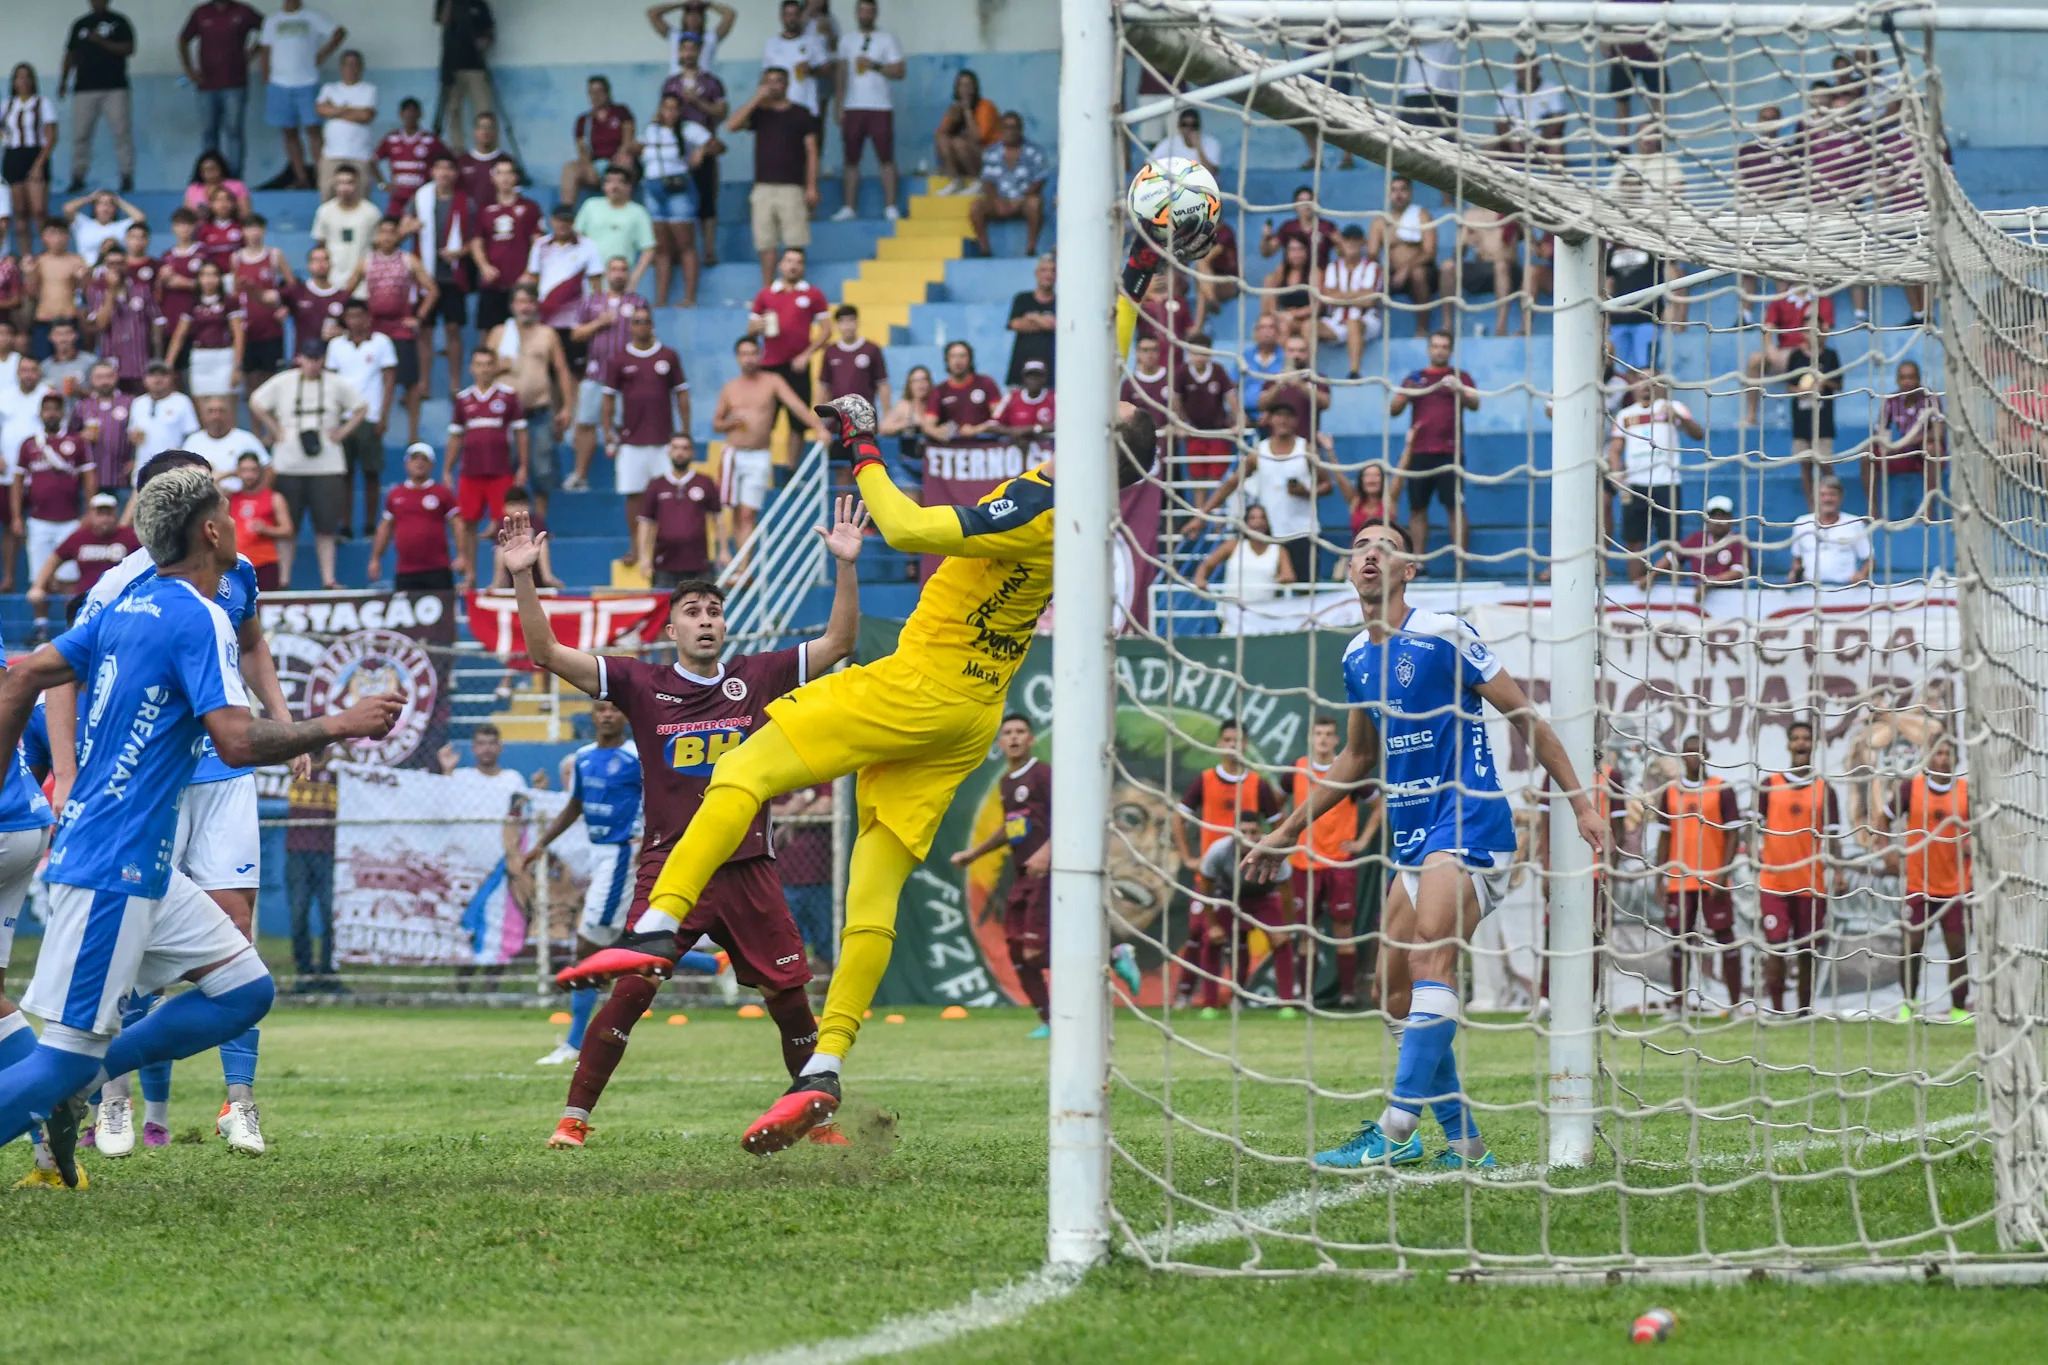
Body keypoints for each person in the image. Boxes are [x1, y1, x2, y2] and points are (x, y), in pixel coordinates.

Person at [554, 397, 1158, 1157]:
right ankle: (824, 1068)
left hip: (918, 687)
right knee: (872, 892)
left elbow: (905, 528)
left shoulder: (1042, 503)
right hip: (971, 713)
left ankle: (654, 923)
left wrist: (863, 445)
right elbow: (1109, 364)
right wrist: (1131, 280)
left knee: (742, 765)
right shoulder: (1088, 502)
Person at [0, 459, 400, 1184]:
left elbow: (24, 674)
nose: (238, 518)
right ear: (211, 529)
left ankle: (85, 1083)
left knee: (245, 990)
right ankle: (72, 1080)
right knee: (58, 1058)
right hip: (114, 860)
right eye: (229, 507)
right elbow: (237, 741)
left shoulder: (132, 603)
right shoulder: (198, 614)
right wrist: (337, 723)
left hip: (135, 854)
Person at [498, 492, 865, 1151]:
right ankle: (574, 1117)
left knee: (789, 998)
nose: (705, 620)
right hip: (671, 867)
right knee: (633, 988)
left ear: (726, 626)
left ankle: (820, 1121)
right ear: (673, 629)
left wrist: (843, 563)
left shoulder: (759, 675)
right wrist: (524, 574)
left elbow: (840, 641)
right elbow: (548, 652)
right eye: (692, 612)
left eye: (714, 611)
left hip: (749, 865)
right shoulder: (641, 683)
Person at [1244, 519, 1605, 1169]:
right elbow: (1356, 757)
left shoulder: (1445, 633)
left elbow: (1527, 719)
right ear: (1346, 571)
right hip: (1412, 837)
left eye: (1385, 544)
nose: (1370, 553)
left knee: (1429, 962)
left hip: (1469, 822)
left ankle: (1395, 1127)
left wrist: (1581, 802)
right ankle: (1466, 1145)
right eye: (1359, 546)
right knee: (1393, 995)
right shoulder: (1355, 655)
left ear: (1411, 568)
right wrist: (1282, 832)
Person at [525, 698, 644, 1068]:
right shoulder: (583, 757)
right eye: (601, 709)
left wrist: (649, 842)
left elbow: (659, 800)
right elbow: (574, 806)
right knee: (625, 946)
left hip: (622, 854)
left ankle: (576, 1044)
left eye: (614, 708)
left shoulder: (637, 757)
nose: (608, 714)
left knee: (587, 949)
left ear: (625, 714)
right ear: (592, 717)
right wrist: (541, 844)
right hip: (598, 853)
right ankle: (712, 964)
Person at [948, 713, 1061, 1034]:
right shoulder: (1007, 782)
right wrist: (974, 853)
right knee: (1016, 950)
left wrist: (1047, 852)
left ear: (1031, 739)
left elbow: (1071, 812)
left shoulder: (1042, 774)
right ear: (1000, 743)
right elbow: (1013, 826)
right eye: (1007, 733)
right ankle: (1049, 1021)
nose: (1013, 738)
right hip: (1023, 872)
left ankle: (1111, 954)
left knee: (1034, 949)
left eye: (1020, 732)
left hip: (1049, 872)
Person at [1169, 720, 1286, 1006]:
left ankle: (1238, 995)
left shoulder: (1257, 783)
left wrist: (1270, 854)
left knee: (1242, 936)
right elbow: (1178, 818)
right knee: (1201, 931)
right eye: (1227, 739)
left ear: (1245, 745)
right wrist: (1187, 857)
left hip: (1249, 876)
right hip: (1213, 874)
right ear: (1220, 743)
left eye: (1238, 740)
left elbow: (1279, 824)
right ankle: (1185, 993)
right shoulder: (1206, 779)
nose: (1232, 745)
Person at [249, 348, 366, 589]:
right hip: (289, 464)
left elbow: (362, 407)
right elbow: (256, 402)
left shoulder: (336, 383)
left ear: (322, 360)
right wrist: (275, 430)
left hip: (328, 465)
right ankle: (283, 580)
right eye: (308, 358)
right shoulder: (284, 381)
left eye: (317, 359)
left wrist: (342, 432)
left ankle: (328, 579)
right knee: (287, 527)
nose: (312, 364)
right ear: (300, 359)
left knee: (326, 527)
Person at [1748, 719, 1843, 1016]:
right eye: (1796, 738)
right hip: (1774, 883)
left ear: (1814, 745)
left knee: (1807, 951)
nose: (1801, 743)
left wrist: (1838, 871)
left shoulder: (1824, 789)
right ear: (1789, 745)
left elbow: (1833, 835)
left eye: (1806, 738)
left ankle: (1804, 1011)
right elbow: (1751, 829)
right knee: (1775, 946)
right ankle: (1776, 1009)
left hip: (1810, 883)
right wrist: (1755, 853)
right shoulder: (1769, 785)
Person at [1650, 734, 1743, 1013]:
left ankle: (1736, 1004)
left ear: (1707, 754)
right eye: (1689, 752)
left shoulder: (1722, 789)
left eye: (1698, 751)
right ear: (1682, 756)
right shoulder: (1670, 792)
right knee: (1680, 942)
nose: (1694, 757)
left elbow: (1733, 836)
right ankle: (1679, 1003)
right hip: (1680, 880)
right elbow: (1665, 838)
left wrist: (1722, 874)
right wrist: (1660, 877)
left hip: (1713, 879)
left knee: (1725, 937)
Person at [1291, 715, 1379, 1009]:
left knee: (1343, 930)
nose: (1324, 739)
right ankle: (1305, 996)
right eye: (1319, 734)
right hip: (1304, 862)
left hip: (1340, 862)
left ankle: (1346, 995)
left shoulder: (1348, 772)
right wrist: (1285, 834)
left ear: (1338, 739)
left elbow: (1380, 806)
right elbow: (1275, 805)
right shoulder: (1296, 770)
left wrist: (1363, 841)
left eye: (1329, 734)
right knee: (1307, 930)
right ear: (1311, 737)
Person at [712, 335, 824, 548]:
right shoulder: (730, 388)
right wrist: (731, 423)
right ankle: (741, 568)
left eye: (753, 353)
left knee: (748, 512)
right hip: (734, 454)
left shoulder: (772, 381)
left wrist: (818, 427)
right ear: (737, 358)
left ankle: (743, 568)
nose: (749, 359)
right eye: (744, 354)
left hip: (759, 453)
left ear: (760, 355)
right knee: (736, 512)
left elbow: (796, 406)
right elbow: (717, 423)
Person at [1890, 734, 1970, 1021]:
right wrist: (1884, 848)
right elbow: (1882, 818)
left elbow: (1978, 830)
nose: (1943, 759)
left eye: (1948, 754)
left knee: (1958, 949)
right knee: (1912, 946)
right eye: (1938, 753)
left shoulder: (1965, 791)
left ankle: (1959, 1009)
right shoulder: (1911, 787)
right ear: (1928, 756)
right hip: (1918, 885)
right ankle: (1907, 1005)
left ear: (1955, 759)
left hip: (1956, 886)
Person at [343, 219, 435, 449]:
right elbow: (346, 292)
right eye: (382, 233)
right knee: (373, 379)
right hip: (374, 329)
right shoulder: (366, 262)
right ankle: (372, 424)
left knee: (411, 382)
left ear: (397, 236)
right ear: (376, 237)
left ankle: (413, 433)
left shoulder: (408, 260)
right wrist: (352, 320)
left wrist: (419, 317)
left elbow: (432, 290)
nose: (386, 237)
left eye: (391, 233)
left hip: (401, 327)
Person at [599, 309, 689, 542]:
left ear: (652, 325)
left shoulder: (669, 356)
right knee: (634, 495)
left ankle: (662, 545)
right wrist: (607, 429)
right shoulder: (619, 359)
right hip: (631, 440)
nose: (641, 326)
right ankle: (637, 545)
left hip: (663, 440)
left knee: (665, 495)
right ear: (630, 326)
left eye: (645, 322)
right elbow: (608, 398)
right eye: (636, 322)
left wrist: (685, 430)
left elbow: (681, 394)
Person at [1391, 329, 1478, 563]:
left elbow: (1475, 403)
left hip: (1450, 452)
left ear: (1450, 351)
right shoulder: (1415, 378)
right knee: (1417, 508)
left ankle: (1461, 561)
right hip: (1418, 453)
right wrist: (1409, 393)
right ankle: (1417, 562)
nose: (1439, 350)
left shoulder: (1460, 376)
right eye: (1435, 346)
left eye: (1444, 347)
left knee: (1455, 506)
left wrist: (1459, 389)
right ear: (1429, 349)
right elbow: (1393, 409)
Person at [564, 255, 650, 491]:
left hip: (628, 378)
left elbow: (648, 336)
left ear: (628, 273)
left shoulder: (639, 303)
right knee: (585, 424)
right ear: (606, 274)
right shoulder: (591, 302)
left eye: (623, 269)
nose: (619, 274)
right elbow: (575, 334)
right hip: (595, 374)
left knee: (627, 426)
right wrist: (599, 323)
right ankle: (580, 475)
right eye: (614, 269)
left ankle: (626, 478)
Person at [1606, 374, 1702, 585]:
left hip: (1667, 482)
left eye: (1651, 380)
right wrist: (1616, 473)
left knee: (1671, 542)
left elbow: (1698, 434)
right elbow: (1615, 449)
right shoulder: (1624, 415)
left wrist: (1679, 416)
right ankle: (1636, 587)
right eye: (1640, 381)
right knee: (1634, 542)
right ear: (1634, 386)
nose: (1645, 386)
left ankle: (1676, 592)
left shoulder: (1672, 406)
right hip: (1635, 484)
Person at [446, 345, 528, 588]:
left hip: (500, 471)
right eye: (478, 364)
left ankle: (504, 578)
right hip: (470, 472)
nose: (483, 369)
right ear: (471, 368)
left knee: (506, 524)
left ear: (495, 367)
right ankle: (470, 575)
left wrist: (522, 465)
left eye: (487, 364)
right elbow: (455, 436)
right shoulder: (463, 399)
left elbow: (521, 433)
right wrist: (447, 469)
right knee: (468, 522)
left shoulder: (508, 396)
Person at [728, 68, 820, 284]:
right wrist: (757, 99)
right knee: (765, 244)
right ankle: (769, 292)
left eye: (778, 81)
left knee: (795, 242)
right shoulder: (760, 113)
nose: (773, 85)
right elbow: (732, 125)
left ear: (786, 84)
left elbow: (812, 151)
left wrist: (811, 186)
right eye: (768, 81)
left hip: (792, 187)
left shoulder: (801, 114)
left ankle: (795, 290)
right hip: (763, 187)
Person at [485, 284, 571, 516]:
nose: (525, 307)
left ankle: (539, 522)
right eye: (521, 302)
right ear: (512, 305)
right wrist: (498, 367)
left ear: (536, 305)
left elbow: (562, 370)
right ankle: (507, 522)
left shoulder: (547, 334)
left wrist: (566, 408)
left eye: (530, 302)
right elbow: (482, 368)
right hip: (505, 415)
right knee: (505, 468)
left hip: (538, 411)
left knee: (542, 469)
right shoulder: (499, 333)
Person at [404, 153, 479, 402]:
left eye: (449, 169)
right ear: (432, 172)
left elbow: (476, 241)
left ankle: (455, 384)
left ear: (456, 174)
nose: (444, 173)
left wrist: (460, 252)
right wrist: (409, 228)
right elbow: (400, 230)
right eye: (439, 168)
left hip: (452, 275)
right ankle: (423, 383)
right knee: (424, 330)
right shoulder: (419, 198)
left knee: (453, 328)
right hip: (425, 275)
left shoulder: (466, 202)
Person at [256, 0, 345, 192]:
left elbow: (339, 33)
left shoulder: (313, 16)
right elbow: (265, 50)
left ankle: (322, 175)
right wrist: (266, 79)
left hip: (307, 82)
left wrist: (321, 56)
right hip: (279, 84)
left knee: (313, 129)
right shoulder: (273, 20)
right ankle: (301, 177)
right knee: (289, 131)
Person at [324, 297, 399, 525]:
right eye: (350, 316)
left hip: (370, 416)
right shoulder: (336, 345)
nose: (355, 321)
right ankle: (345, 524)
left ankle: (370, 525)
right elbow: (330, 383)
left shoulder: (381, 343)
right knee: (344, 475)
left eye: (359, 316)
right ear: (345, 319)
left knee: (371, 474)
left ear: (368, 318)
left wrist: (383, 416)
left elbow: (389, 381)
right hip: (344, 419)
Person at [13, 394, 97, 598]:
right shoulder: (29, 444)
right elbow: (17, 482)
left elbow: (89, 478)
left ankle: (69, 625)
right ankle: (40, 627)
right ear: (41, 413)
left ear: (62, 413)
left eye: (55, 409)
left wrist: (89, 512)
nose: (51, 413)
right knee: (39, 577)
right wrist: (16, 517)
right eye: (47, 409)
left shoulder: (76, 441)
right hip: (38, 520)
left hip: (69, 520)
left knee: (69, 578)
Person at [635, 92, 713, 307]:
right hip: (652, 189)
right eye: (665, 107)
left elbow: (717, 144)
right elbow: (637, 148)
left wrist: (702, 151)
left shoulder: (689, 129)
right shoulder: (651, 131)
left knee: (685, 244)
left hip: (678, 188)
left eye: (673, 108)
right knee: (661, 248)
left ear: (680, 111)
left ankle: (689, 297)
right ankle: (661, 299)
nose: (668, 112)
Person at [835, 0, 904, 221]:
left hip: (880, 106)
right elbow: (841, 73)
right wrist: (839, 105)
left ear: (876, 13)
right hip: (853, 106)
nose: (866, 14)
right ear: (856, 13)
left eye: (870, 10)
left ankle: (891, 206)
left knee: (886, 158)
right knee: (851, 160)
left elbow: (900, 71)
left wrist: (874, 65)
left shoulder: (887, 39)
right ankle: (849, 207)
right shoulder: (847, 40)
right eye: (862, 10)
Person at [181, 0, 266, 179]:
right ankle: (210, 176)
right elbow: (183, 39)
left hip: (235, 83)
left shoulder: (243, 11)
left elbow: (268, 27)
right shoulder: (201, 12)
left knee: (234, 131)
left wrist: (253, 50)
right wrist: (189, 70)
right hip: (207, 85)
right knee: (209, 132)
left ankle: (234, 177)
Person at [664, 34, 729, 267]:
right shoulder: (671, 83)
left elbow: (722, 113)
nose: (688, 54)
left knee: (707, 202)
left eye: (692, 49)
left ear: (699, 52)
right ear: (679, 53)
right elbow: (662, 113)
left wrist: (697, 102)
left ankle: (709, 251)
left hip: (706, 149)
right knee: (676, 203)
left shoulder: (712, 82)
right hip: (675, 153)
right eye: (684, 50)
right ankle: (676, 252)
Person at [28, 490, 136, 616]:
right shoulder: (80, 537)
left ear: (116, 514)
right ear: (91, 515)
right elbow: (54, 559)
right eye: (100, 514)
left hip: (120, 600)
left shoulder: (129, 537)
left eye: (108, 514)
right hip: (86, 602)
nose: (104, 519)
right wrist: (38, 587)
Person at [1744, 283, 1834, 428]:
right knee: (1755, 359)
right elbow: (1768, 327)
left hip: (1810, 353)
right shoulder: (1780, 299)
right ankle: (1751, 416)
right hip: (1784, 352)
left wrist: (1806, 347)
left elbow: (1825, 332)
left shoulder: (1822, 301)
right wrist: (1770, 348)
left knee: (1802, 358)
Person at [283, 757, 339, 992]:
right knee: (299, 914)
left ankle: (328, 973)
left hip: (329, 852)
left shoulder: (341, 771)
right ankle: (304, 974)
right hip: (298, 852)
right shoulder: (293, 764)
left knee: (331, 914)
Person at [637, 435, 723, 586]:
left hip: (699, 564)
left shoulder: (705, 482)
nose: (680, 453)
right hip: (664, 565)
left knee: (702, 608)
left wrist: (724, 550)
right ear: (669, 452)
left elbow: (718, 517)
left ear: (693, 453)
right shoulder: (656, 485)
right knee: (667, 609)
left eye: (685, 448)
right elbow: (645, 522)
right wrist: (644, 557)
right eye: (675, 448)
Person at [370, 442, 457, 590]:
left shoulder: (442, 493)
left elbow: (457, 525)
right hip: (406, 571)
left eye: (424, 459)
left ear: (432, 465)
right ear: (407, 463)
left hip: (438, 569)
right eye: (415, 458)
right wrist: (375, 558)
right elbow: (385, 528)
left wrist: (462, 556)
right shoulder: (395, 495)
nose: (419, 463)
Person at [472, 157, 543, 338]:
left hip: (520, 283)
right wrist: (484, 267)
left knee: (523, 333)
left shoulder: (530, 208)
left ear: (515, 177)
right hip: (492, 282)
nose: (504, 178)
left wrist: (530, 272)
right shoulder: (484, 209)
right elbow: (476, 242)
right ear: (493, 178)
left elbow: (538, 242)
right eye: (500, 173)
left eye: (508, 173)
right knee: (488, 334)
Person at [1870, 358, 1943, 524]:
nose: (1907, 382)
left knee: (1931, 448)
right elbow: (1880, 429)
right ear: (1897, 380)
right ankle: (1873, 514)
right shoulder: (1891, 401)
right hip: (1902, 452)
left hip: (1922, 452)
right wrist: (1885, 443)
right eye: (1903, 378)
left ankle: (1928, 512)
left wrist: (1907, 442)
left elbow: (1938, 433)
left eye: (1911, 377)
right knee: (1867, 452)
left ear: (1918, 379)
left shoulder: (1930, 398)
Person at [229, 214, 293, 400]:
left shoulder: (274, 255)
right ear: (242, 232)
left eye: (257, 228)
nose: (253, 233)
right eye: (249, 229)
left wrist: (285, 308)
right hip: (248, 328)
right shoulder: (236, 258)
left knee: (272, 381)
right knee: (251, 383)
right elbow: (235, 293)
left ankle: (272, 429)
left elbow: (292, 288)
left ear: (264, 231)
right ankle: (256, 430)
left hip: (272, 327)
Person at [82, 249, 156, 401]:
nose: (116, 267)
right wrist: (112, 290)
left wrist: (157, 356)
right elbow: (101, 324)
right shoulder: (95, 292)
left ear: (127, 265)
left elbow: (155, 324)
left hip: (139, 364)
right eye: (111, 264)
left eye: (120, 263)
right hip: (111, 366)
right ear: (104, 267)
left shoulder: (142, 290)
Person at [1365, 177, 1437, 334]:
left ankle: (1422, 328)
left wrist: (1406, 268)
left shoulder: (1421, 215)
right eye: (1394, 190)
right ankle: (1367, 327)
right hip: (1391, 273)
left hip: (1421, 271)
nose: (1398, 194)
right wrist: (1377, 273)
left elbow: (1429, 252)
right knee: (1368, 276)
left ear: (1410, 193)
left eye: (1403, 189)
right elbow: (1372, 255)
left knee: (1418, 273)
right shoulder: (1380, 222)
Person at [970, 112, 1048, 258]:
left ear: (1020, 129)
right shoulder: (991, 152)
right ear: (1000, 129)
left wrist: (1019, 200)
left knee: (1035, 203)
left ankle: (1030, 248)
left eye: (1014, 127)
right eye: (1006, 127)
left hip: (1022, 201)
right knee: (976, 206)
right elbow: (987, 181)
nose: (1010, 131)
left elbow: (1039, 180)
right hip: (998, 202)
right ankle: (984, 249)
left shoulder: (1034, 151)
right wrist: (996, 200)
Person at [165, 259, 244, 402]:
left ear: (220, 279)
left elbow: (238, 335)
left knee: (225, 410)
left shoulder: (229, 303)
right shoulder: (192, 303)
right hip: (200, 358)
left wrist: (237, 366)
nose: (209, 279)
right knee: (203, 412)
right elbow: (179, 336)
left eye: (214, 275)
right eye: (205, 275)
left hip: (224, 357)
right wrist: (168, 364)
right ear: (199, 279)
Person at [1437, 206, 1522, 337]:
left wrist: (1484, 241)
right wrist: (1465, 241)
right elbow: (1457, 256)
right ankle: (1447, 326)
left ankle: (1501, 327)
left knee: (1501, 265)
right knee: (1448, 266)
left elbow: (1509, 255)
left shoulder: (1509, 212)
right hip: (1480, 267)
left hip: (1507, 270)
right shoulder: (1469, 215)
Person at [572, 166, 656, 297]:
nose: (614, 186)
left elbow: (648, 248)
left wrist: (634, 278)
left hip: (620, 280)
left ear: (629, 186)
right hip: (588, 278)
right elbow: (576, 237)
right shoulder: (591, 206)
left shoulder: (638, 212)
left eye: (620, 182)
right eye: (609, 181)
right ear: (604, 186)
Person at [1784, 316, 1842, 508]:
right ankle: (1812, 507)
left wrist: (1825, 383)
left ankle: (1833, 502)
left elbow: (1839, 384)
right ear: (1802, 333)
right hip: (1801, 418)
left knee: (1825, 463)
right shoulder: (1796, 356)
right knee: (1805, 465)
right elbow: (1789, 385)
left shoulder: (1830, 356)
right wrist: (1801, 391)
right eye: (1808, 330)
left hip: (1823, 419)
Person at [2, 65, 58, 262]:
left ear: (33, 80)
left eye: (27, 77)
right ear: (13, 81)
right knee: (20, 213)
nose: (23, 81)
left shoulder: (42, 103)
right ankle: (27, 256)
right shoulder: (7, 105)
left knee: (39, 210)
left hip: (35, 154)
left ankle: (47, 252)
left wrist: (39, 164)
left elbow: (52, 136)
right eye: (19, 77)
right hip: (13, 156)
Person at [1192, 502, 1294, 608]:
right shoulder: (1233, 545)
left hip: (1264, 612)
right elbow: (1206, 565)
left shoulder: (1278, 549)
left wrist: (1278, 580)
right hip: (1232, 611)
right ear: (1246, 523)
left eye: (1262, 518)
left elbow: (1288, 575)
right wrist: (1200, 579)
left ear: (1267, 523)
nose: (1258, 522)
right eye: (1253, 518)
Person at [1320, 224, 1384, 378]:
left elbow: (1368, 301)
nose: (1351, 244)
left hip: (1366, 321)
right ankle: (1310, 370)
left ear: (1363, 243)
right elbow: (1328, 298)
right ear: (1341, 242)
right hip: (1336, 321)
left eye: (1356, 240)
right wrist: (1357, 295)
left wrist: (1340, 296)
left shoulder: (1373, 267)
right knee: (1309, 326)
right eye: (1348, 239)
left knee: (1353, 321)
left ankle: (1354, 371)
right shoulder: (1332, 267)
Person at [562, 75, 635, 210]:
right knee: (570, 169)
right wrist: (588, 166)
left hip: (617, 161)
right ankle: (566, 213)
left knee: (626, 162)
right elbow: (582, 148)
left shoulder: (621, 112)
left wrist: (618, 160)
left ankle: (624, 209)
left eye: (600, 91)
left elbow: (628, 141)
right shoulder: (584, 120)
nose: (596, 96)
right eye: (592, 92)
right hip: (596, 165)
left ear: (607, 92)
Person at [310, 166, 384, 298]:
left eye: (349, 182)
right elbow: (320, 245)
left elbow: (377, 248)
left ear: (358, 183)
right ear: (335, 184)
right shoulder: (325, 212)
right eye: (340, 183)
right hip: (333, 281)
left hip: (364, 284)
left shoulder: (371, 213)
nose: (345, 188)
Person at [1172, 337, 1236, 488]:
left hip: (1218, 431)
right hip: (1193, 432)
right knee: (1197, 476)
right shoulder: (1182, 372)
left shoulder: (1218, 370)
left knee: (1217, 475)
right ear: (1188, 354)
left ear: (1210, 354)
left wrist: (1238, 420)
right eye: (1195, 353)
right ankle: (1199, 511)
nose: (1199, 357)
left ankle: (1216, 510)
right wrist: (1182, 424)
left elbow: (1231, 397)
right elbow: (1175, 401)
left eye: (1203, 353)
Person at [313, 49, 376, 200]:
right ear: (341, 67)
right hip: (331, 155)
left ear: (361, 68)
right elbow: (320, 110)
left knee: (361, 200)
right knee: (327, 197)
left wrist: (335, 109)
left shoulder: (369, 89)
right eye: (347, 65)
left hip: (360, 155)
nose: (351, 69)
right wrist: (351, 110)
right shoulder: (329, 88)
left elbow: (366, 115)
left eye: (355, 65)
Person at [434, 0, 496, 153]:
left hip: (476, 66)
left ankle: (488, 149)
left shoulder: (478, 4)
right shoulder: (444, 2)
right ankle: (458, 150)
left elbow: (489, 30)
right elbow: (442, 21)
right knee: (453, 110)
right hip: (452, 67)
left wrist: (484, 43)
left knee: (484, 111)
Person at [371, 97, 449, 218]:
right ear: (401, 115)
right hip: (398, 197)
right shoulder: (392, 138)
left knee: (421, 231)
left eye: (413, 112)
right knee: (391, 229)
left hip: (422, 196)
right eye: (407, 112)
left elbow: (449, 160)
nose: (410, 116)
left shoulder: (429, 139)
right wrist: (382, 184)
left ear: (420, 114)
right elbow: (372, 161)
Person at [1789, 475, 1873, 587]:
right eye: (1822, 495)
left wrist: (1861, 574)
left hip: (1845, 589)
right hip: (1810, 590)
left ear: (1841, 497)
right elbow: (1797, 559)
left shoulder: (1854, 523)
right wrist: (1794, 573)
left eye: (1832, 494)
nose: (1827, 499)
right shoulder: (1802, 523)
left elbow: (1869, 560)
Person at [222, 450, 289, 588]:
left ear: (260, 472)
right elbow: (209, 483)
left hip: (265, 562)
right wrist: (229, 473)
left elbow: (288, 530)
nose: (249, 475)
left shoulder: (274, 498)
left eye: (253, 470)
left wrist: (266, 529)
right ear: (238, 472)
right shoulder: (230, 498)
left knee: (266, 607)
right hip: (237, 563)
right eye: (244, 470)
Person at [1658, 494, 1751, 593]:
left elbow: (1739, 572)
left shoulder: (1738, 541)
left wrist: (1710, 582)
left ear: (1731, 518)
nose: (1718, 520)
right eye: (1714, 516)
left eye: (1723, 516)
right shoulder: (1697, 538)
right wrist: (1652, 575)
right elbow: (1671, 557)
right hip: (1697, 595)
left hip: (1729, 595)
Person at [65, 360, 132, 494]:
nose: (105, 381)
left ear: (116, 377)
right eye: (99, 377)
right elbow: (69, 438)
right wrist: (80, 437)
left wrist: (136, 460)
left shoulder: (130, 402)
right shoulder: (83, 406)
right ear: (91, 380)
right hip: (89, 481)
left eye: (109, 376)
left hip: (122, 479)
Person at [27, 219, 89, 362]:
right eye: (52, 234)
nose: (57, 238)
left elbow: (85, 293)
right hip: (44, 319)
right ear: (44, 237)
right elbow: (31, 293)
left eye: (61, 234)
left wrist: (83, 278)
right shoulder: (39, 261)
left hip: (69, 319)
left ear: (68, 237)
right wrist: (30, 274)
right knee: (42, 363)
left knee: (73, 363)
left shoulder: (77, 261)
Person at [933, 69, 999, 196]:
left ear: (975, 88)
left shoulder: (986, 106)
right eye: (961, 85)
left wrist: (967, 111)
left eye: (969, 85)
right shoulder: (955, 107)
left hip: (990, 160)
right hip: (966, 159)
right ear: (956, 89)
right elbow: (940, 135)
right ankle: (955, 181)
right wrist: (952, 118)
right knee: (942, 137)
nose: (965, 89)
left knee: (959, 143)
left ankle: (978, 183)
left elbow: (978, 138)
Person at [761, 0, 831, 117]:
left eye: (795, 14)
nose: (791, 19)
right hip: (778, 108)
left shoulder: (812, 41)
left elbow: (828, 70)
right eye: (788, 15)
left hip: (807, 107)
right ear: (781, 17)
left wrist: (811, 71)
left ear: (800, 16)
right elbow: (764, 77)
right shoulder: (771, 44)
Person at [127, 361, 200, 470]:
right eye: (152, 375)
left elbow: (192, 435)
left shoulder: (182, 401)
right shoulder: (138, 402)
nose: (157, 379)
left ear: (171, 378)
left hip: (174, 468)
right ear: (144, 379)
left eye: (163, 374)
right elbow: (133, 434)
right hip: (144, 468)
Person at [924, 339, 1000, 441]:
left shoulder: (986, 383)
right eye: (953, 356)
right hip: (954, 450)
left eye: (962, 356)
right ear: (947, 361)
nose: (958, 361)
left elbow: (999, 418)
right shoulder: (939, 391)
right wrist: (937, 432)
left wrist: (976, 430)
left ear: (970, 360)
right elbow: (928, 424)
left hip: (985, 447)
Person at [817, 303, 888, 411]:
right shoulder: (831, 352)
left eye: (851, 320)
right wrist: (819, 418)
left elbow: (882, 384)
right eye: (843, 321)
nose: (847, 326)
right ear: (837, 325)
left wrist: (887, 414)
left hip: (864, 416)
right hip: (837, 417)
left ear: (857, 322)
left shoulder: (872, 349)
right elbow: (824, 386)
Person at [182, 393, 267, 481]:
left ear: (229, 414)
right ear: (203, 415)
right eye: (211, 411)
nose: (216, 416)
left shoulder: (247, 439)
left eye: (221, 411)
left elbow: (267, 469)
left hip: (239, 493)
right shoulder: (193, 441)